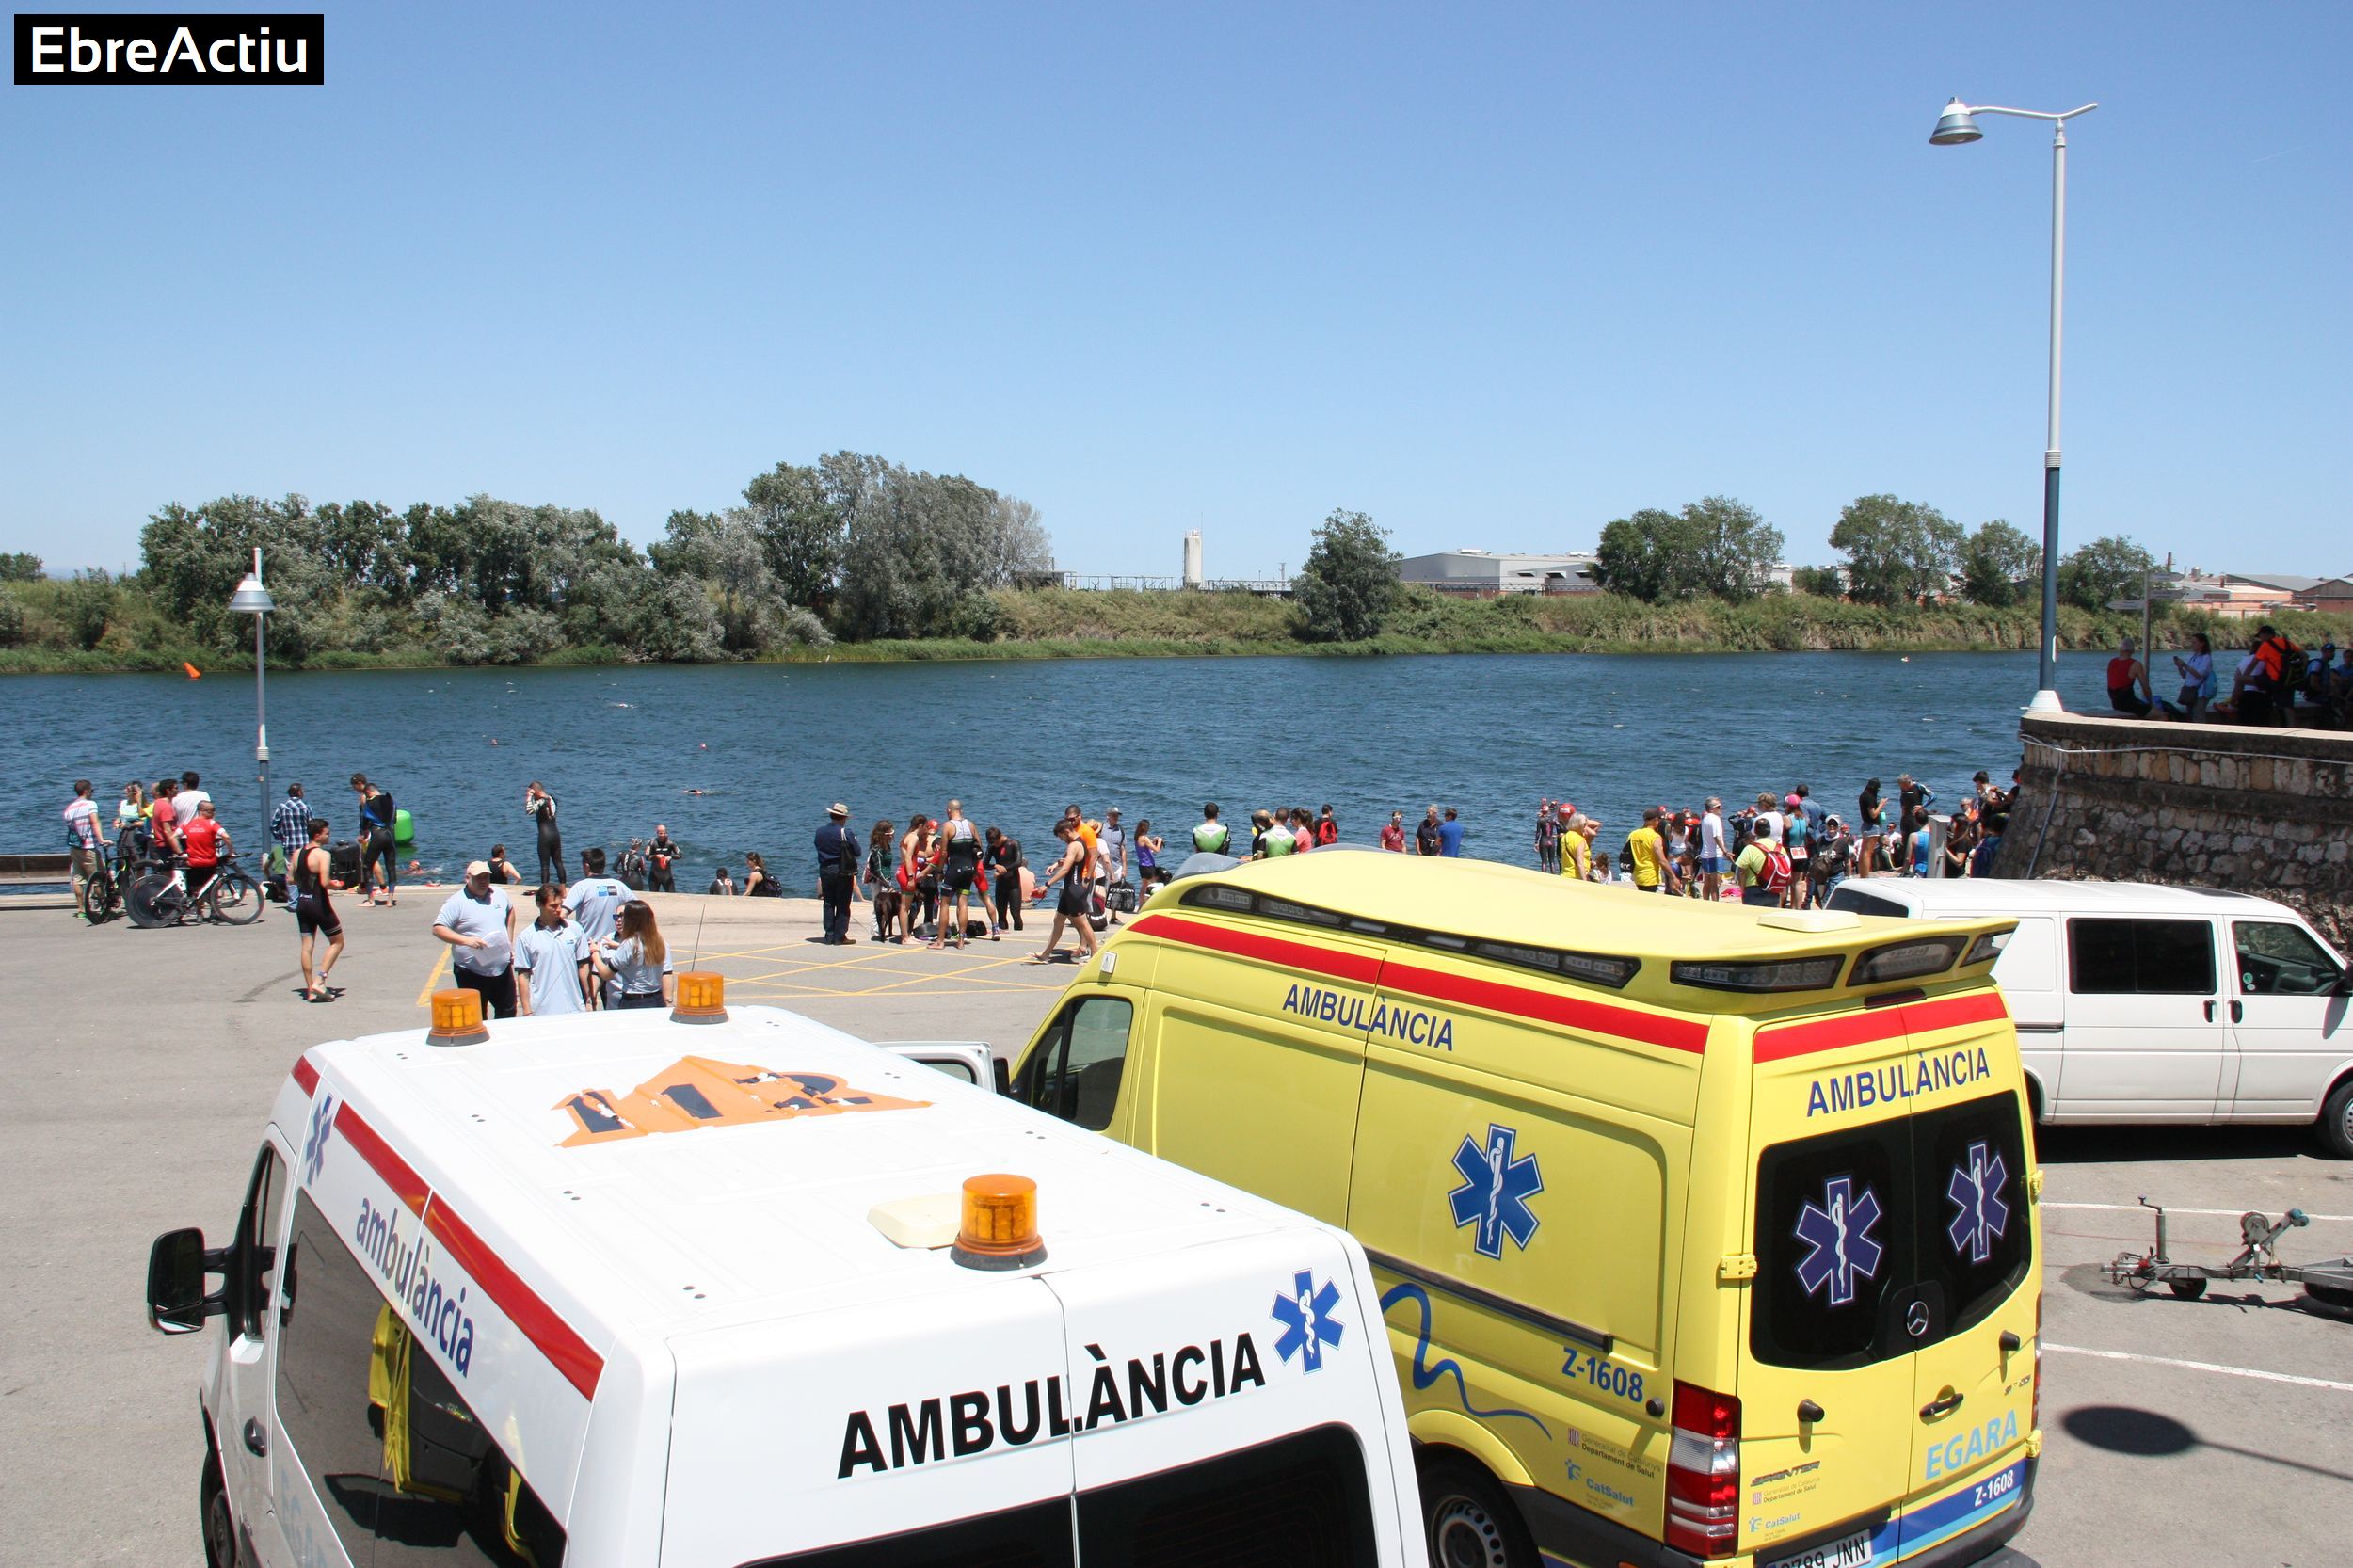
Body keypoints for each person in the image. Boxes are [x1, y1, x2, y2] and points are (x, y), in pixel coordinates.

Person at [434, 860, 519, 1018]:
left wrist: (509, 942)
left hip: (501, 969)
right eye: (478, 877)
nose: (483, 881)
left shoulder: (500, 895)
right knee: (475, 1017)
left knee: (508, 1012)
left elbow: (511, 911)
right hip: (471, 972)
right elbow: (438, 929)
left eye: (486, 877)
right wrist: (467, 941)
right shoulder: (456, 902)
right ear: (467, 878)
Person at [567, 846, 635, 1003]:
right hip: (613, 948)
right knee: (612, 996)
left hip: (588, 950)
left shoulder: (582, 886)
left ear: (586, 866)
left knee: (586, 997)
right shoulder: (619, 885)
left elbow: (563, 913)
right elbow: (640, 909)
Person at [1027, 821, 1100, 965]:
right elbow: (1071, 862)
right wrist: (1056, 864)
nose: (1061, 840)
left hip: (1074, 890)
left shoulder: (1074, 845)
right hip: (1069, 890)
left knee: (1083, 924)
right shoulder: (1079, 842)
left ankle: (1095, 956)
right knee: (1058, 921)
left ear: (1066, 832)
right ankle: (1045, 954)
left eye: (1061, 837)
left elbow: (1066, 870)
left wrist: (1047, 884)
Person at [515, 884, 590, 1017]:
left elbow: (583, 966)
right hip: (542, 1011)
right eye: (553, 906)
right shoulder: (526, 937)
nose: (559, 910)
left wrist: (589, 1000)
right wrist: (527, 1011)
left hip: (575, 1007)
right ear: (539, 904)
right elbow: (523, 975)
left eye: (560, 905)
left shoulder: (575, 929)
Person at [292, 818, 344, 1002]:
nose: (329, 836)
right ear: (317, 835)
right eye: (326, 833)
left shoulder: (297, 853)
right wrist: (337, 885)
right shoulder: (323, 855)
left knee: (307, 946)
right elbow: (325, 882)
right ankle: (320, 980)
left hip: (302, 903)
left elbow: (290, 879)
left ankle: (310, 991)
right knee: (337, 942)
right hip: (318, 903)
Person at [595, 900, 676, 1008]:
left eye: (624, 916)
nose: (620, 920)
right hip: (657, 998)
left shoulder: (629, 944)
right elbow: (667, 973)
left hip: (634, 1000)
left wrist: (594, 953)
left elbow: (606, 974)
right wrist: (668, 1001)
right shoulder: (659, 942)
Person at [927, 802, 977, 951]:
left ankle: (940, 941)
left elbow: (943, 852)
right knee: (963, 904)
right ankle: (961, 941)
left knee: (945, 904)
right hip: (969, 868)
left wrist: (939, 870)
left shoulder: (948, 826)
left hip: (954, 869)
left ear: (949, 811)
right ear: (960, 810)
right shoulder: (971, 825)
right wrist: (974, 867)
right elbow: (978, 847)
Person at [352, 774, 398, 908]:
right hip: (390, 834)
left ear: (368, 791)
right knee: (391, 867)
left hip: (377, 835)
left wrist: (363, 835)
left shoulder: (368, 802)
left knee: (367, 865)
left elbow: (365, 822)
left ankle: (371, 900)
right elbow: (394, 819)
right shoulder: (391, 801)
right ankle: (390, 900)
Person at [816, 802, 860, 945]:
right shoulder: (845, 832)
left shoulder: (820, 831)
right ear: (844, 818)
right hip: (842, 870)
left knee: (828, 902)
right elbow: (857, 852)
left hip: (825, 868)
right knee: (843, 903)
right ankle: (840, 935)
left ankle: (829, 935)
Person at [181, 799, 232, 917]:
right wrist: (230, 852)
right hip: (209, 862)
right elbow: (226, 836)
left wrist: (179, 852)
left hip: (193, 862)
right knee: (213, 886)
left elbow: (174, 836)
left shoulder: (188, 824)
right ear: (203, 811)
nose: (214, 813)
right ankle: (214, 912)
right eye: (211, 811)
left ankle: (199, 914)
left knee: (197, 889)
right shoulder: (212, 823)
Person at [63, 779, 104, 920]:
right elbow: (94, 821)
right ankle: (103, 906)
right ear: (86, 791)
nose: (92, 793)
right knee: (96, 878)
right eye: (92, 790)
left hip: (75, 848)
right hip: (88, 847)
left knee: (78, 878)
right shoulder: (90, 804)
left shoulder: (69, 809)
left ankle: (81, 910)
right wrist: (101, 839)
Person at [2161, 632, 2217, 721]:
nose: (2192, 644)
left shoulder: (2206, 658)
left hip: (2200, 692)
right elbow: (2185, 675)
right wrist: (2180, 667)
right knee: (2190, 716)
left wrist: (2185, 665)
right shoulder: (2193, 657)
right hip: (2191, 692)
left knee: (2198, 716)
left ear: (2202, 643)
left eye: (2194, 642)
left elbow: (2199, 674)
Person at [866, 820, 904, 941]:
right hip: (878, 881)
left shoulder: (886, 846)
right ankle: (876, 932)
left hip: (887, 880)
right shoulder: (876, 849)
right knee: (878, 907)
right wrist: (887, 885)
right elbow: (878, 870)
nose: (892, 836)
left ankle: (885, 931)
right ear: (883, 835)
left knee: (888, 908)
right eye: (890, 833)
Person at [1735, 819, 1786, 907]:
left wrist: (1742, 890)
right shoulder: (1780, 848)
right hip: (1773, 890)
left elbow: (1742, 871)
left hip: (1753, 890)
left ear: (1755, 831)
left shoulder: (1750, 848)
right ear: (1769, 831)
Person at [521, 782, 564, 887]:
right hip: (555, 833)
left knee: (545, 866)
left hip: (545, 836)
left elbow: (529, 810)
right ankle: (563, 888)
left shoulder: (541, 801)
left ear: (535, 791)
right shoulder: (552, 799)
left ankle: (545, 888)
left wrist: (529, 796)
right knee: (558, 863)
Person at [1625, 807, 1674, 895]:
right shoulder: (1654, 837)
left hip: (1637, 874)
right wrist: (1673, 877)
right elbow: (1662, 861)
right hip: (1650, 876)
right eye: (1659, 819)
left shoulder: (1633, 834)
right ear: (1655, 820)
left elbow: (1628, 853)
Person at [985, 825, 1024, 936]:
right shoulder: (992, 846)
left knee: (1015, 914)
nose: (995, 845)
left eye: (996, 843)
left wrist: (1003, 870)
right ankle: (1003, 936)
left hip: (1013, 883)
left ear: (1000, 837)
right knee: (1001, 914)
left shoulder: (1013, 843)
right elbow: (984, 864)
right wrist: (995, 865)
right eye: (992, 843)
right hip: (1001, 884)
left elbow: (1018, 862)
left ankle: (1019, 935)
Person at [2106, 636, 2153, 716]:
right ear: (2133, 651)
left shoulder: (2112, 662)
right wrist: (2151, 704)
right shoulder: (2136, 664)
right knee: (2162, 715)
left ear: (2120, 650)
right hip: (2128, 704)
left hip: (2115, 703)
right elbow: (2145, 688)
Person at [270, 782, 312, 871]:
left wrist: (281, 837)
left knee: (291, 873)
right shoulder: (306, 807)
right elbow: (312, 826)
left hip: (289, 846)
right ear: (299, 792)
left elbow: (273, 826)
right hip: (305, 846)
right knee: (306, 872)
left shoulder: (282, 807)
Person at [1097, 808, 1129, 920]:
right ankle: (1101, 914)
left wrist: (1124, 868)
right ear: (1108, 816)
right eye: (1114, 815)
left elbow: (1123, 850)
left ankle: (1113, 916)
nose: (1116, 817)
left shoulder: (1120, 830)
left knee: (1115, 891)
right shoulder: (1101, 828)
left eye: (1117, 815)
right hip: (1103, 864)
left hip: (1116, 865)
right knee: (1102, 890)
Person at [1697, 796, 1729, 902]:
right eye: (1718, 807)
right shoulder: (1715, 819)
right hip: (1715, 854)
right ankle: (1715, 904)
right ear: (1711, 809)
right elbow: (1716, 837)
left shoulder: (1705, 819)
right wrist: (1725, 851)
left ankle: (1706, 902)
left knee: (1707, 882)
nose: (1721, 808)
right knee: (1715, 883)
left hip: (1705, 853)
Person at [1781, 793, 1810, 907]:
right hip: (1802, 850)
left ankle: (1782, 905)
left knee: (1786, 881)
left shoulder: (1787, 819)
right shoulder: (1804, 819)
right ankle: (1796, 907)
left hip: (1790, 850)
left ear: (1788, 806)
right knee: (1798, 882)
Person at [148, 778, 183, 861]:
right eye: (176, 788)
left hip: (160, 844)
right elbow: (167, 830)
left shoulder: (158, 802)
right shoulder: (166, 806)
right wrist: (179, 851)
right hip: (166, 845)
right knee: (169, 869)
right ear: (168, 790)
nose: (178, 790)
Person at [647, 824, 680, 892]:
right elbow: (647, 857)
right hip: (654, 875)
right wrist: (656, 856)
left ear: (666, 833)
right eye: (660, 833)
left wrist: (670, 857)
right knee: (653, 895)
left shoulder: (671, 843)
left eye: (664, 833)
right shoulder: (652, 843)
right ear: (657, 833)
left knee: (672, 895)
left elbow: (679, 855)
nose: (662, 835)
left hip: (666, 875)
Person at [1559, 813, 1592, 881]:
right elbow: (1580, 863)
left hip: (1564, 874)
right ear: (1579, 824)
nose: (1586, 827)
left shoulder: (1564, 837)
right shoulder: (1580, 840)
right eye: (1584, 824)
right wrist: (1585, 881)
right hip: (1576, 877)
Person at [1133, 819, 1162, 887]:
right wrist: (1160, 841)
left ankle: (1143, 894)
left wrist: (1152, 841)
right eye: (1148, 827)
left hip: (1142, 865)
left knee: (1144, 886)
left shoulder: (1137, 837)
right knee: (1152, 885)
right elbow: (1157, 850)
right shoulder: (1145, 838)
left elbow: (1144, 848)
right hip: (1148, 865)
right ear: (1145, 828)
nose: (1149, 829)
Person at [1909, 808, 1935, 878]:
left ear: (1916, 821)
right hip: (1933, 869)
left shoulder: (1913, 836)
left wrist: (1905, 871)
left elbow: (1908, 858)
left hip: (1919, 869)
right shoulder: (1935, 836)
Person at [1535, 801, 1560, 874]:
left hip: (1543, 841)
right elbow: (1560, 827)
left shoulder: (1540, 820)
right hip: (1551, 840)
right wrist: (1558, 835)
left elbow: (1538, 833)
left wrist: (1536, 843)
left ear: (1542, 811)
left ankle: (1543, 876)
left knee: (1544, 861)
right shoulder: (1553, 820)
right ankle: (1553, 876)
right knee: (1552, 861)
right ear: (1548, 811)